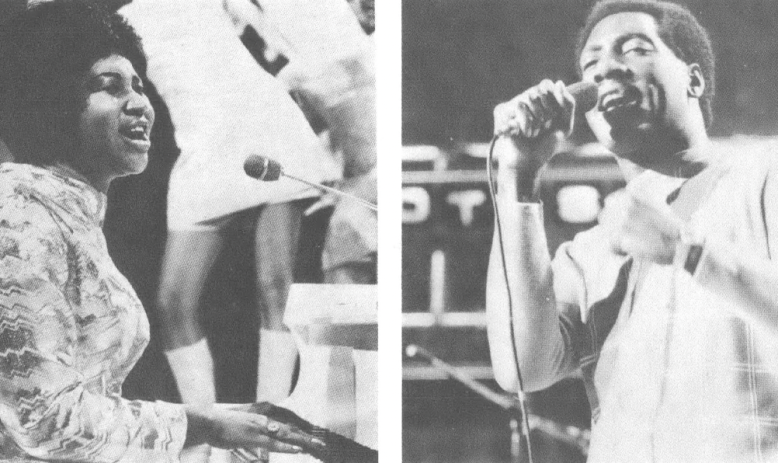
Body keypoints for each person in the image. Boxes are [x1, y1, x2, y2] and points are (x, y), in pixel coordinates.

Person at [0, 2, 324, 461]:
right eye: (109, 87)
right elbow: (42, 421)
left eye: (138, 85)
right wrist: (203, 426)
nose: (140, 102)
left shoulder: (65, 209)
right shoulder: (17, 214)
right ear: (53, 100)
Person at [487, 0, 778, 461]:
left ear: (694, 79)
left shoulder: (764, 174)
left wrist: (688, 250)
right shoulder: (588, 253)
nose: (606, 70)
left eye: (634, 48)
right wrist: (517, 178)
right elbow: (522, 368)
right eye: (592, 62)